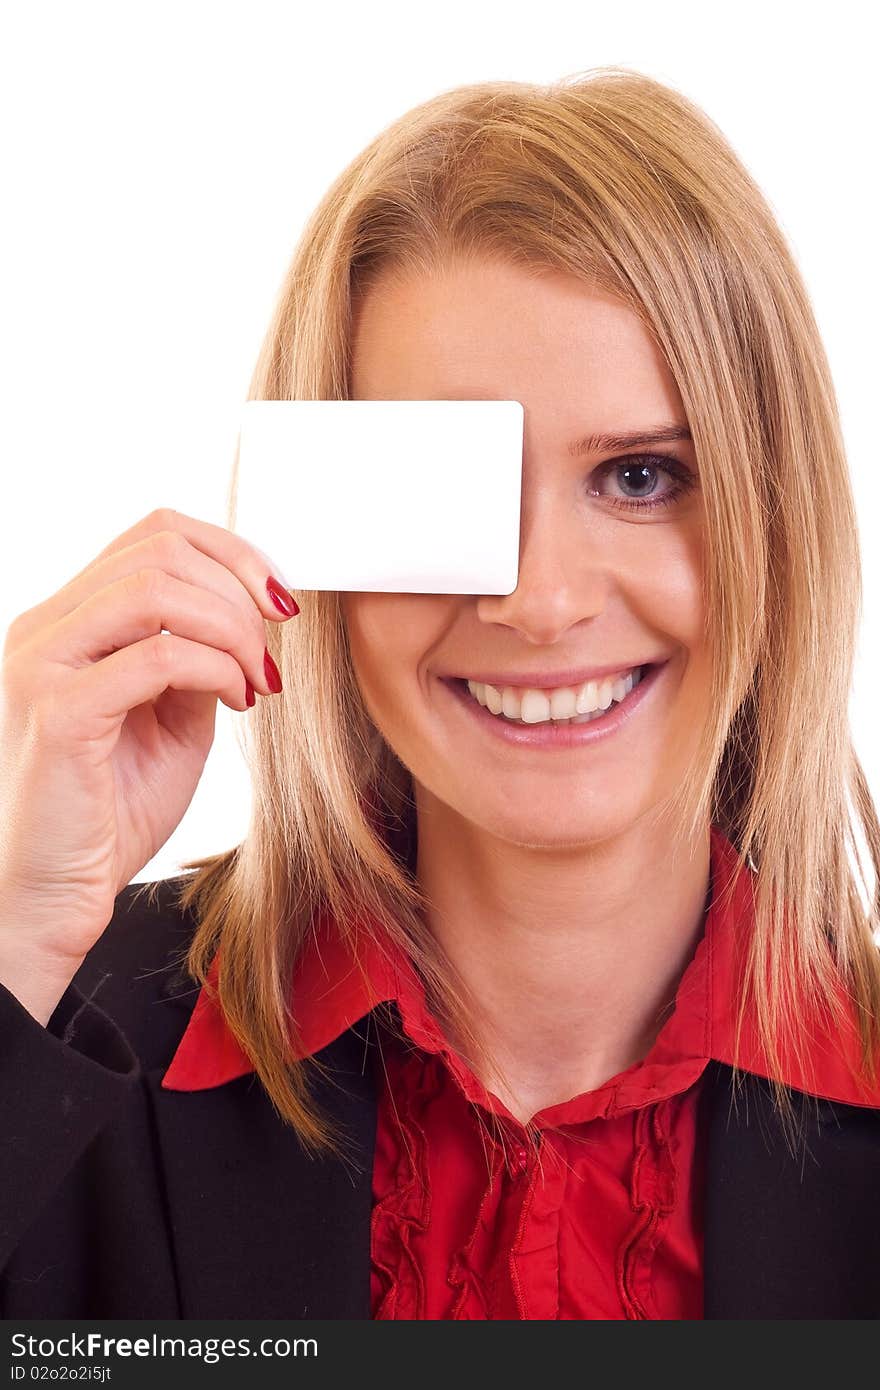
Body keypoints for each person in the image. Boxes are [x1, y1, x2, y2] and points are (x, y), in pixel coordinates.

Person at [1, 65, 879, 1322]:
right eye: (444, 492)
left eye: (638, 476)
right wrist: (20, 934)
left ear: (775, 524)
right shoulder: (59, 1024)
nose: (539, 601)